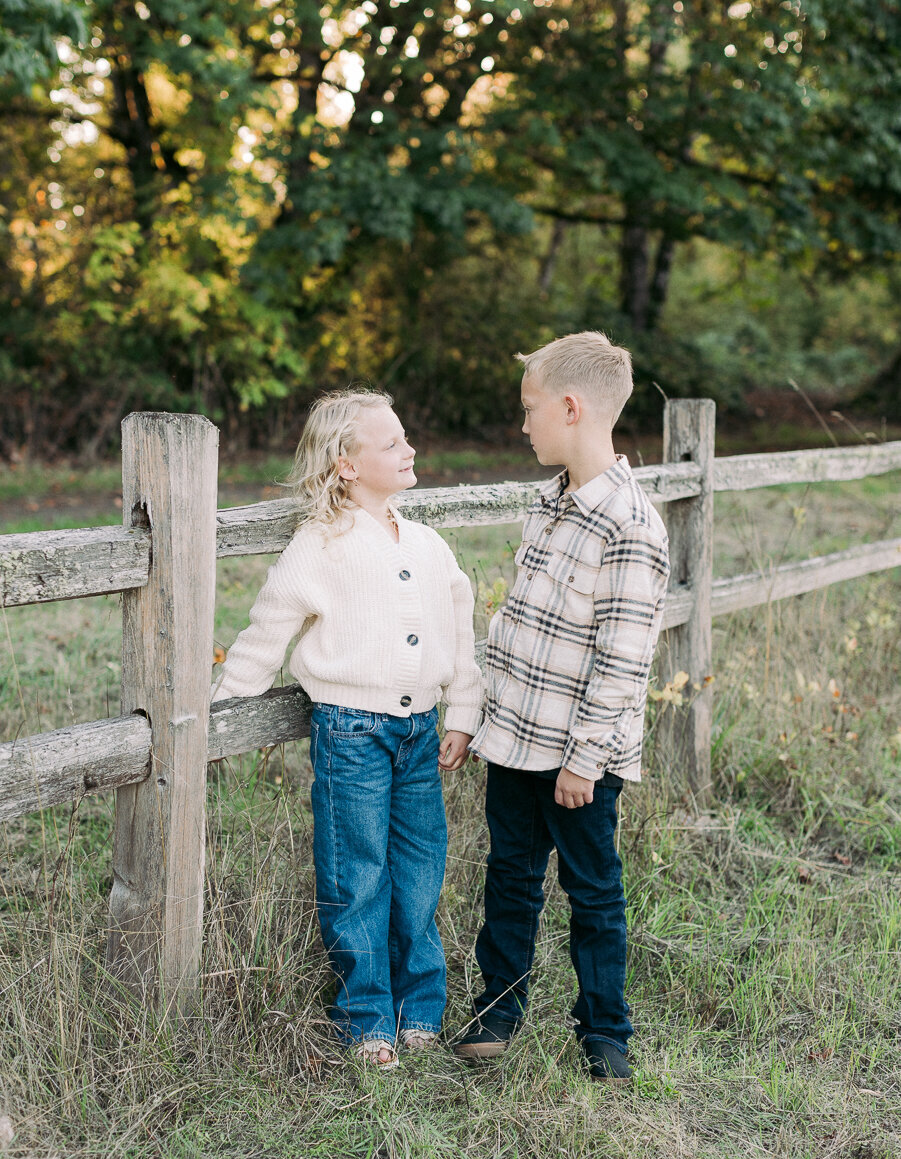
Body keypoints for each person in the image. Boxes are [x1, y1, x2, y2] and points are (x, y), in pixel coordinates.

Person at [211, 389, 482, 1070]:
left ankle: (419, 1008)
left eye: (404, 437)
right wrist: (222, 710)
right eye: (390, 443)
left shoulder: (425, 543)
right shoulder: (320, 544)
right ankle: (366, 1019)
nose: (408, 449)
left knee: (420, 871)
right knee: (356, 875)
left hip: (421, 732)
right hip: (350, 733)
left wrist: (465, 712)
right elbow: (267, 627)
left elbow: (460, 634)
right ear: (346, 466)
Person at [454, 331, 670, 1082]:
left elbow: (621, 658)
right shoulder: (548, 505)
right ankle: (498, 1006)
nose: (522, 425)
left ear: (571, 408)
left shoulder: (629, 524)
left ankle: (604, 1028)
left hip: (578, 756)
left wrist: (583, 760)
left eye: (529, 409)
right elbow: (515, 626)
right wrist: (482, 720)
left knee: (591, 889)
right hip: (516, 739)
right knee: (509, 874)